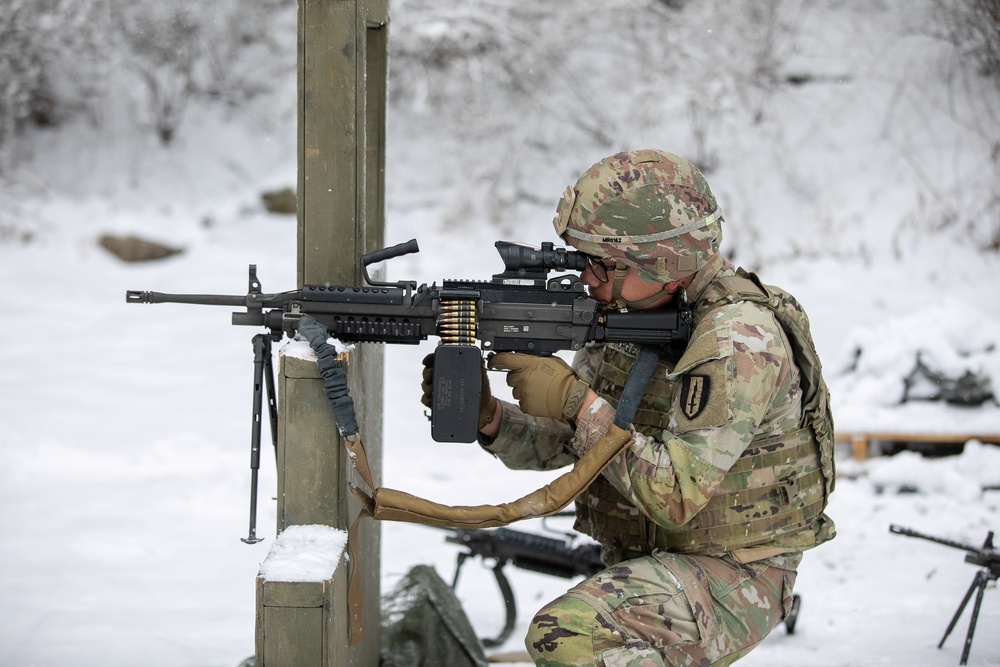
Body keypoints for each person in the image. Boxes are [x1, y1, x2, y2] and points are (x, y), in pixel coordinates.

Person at [447, 149, 837, 667]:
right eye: (581, 259)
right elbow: (575, 445)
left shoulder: (739, 342)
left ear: (665, 265)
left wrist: (578, 401)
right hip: (658, 557)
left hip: (735, 570)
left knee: (568, 633)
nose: (586, 277)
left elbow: (674, 494)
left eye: (602, 264)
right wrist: (492, 419)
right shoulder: (628, 312)